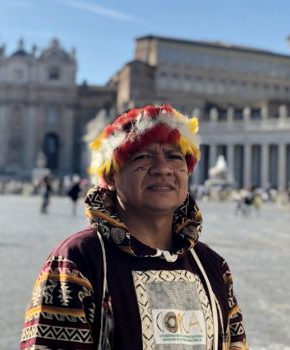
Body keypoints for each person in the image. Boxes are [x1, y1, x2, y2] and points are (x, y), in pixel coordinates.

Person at [21, 105, 248, 349]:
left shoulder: (214, 266)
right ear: (111, 176)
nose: (163, 168)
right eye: (142, 157)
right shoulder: (75, 262)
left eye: (174, 157)